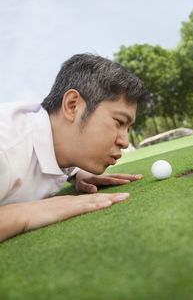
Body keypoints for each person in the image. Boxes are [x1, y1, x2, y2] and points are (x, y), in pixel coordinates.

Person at [0, 53, 148, 242]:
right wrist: (27, 213)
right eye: (118, 122)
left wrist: (75, 172)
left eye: (128, 128)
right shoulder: (6, 147)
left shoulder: (61, 142)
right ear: (72, 106)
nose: (125, 142)